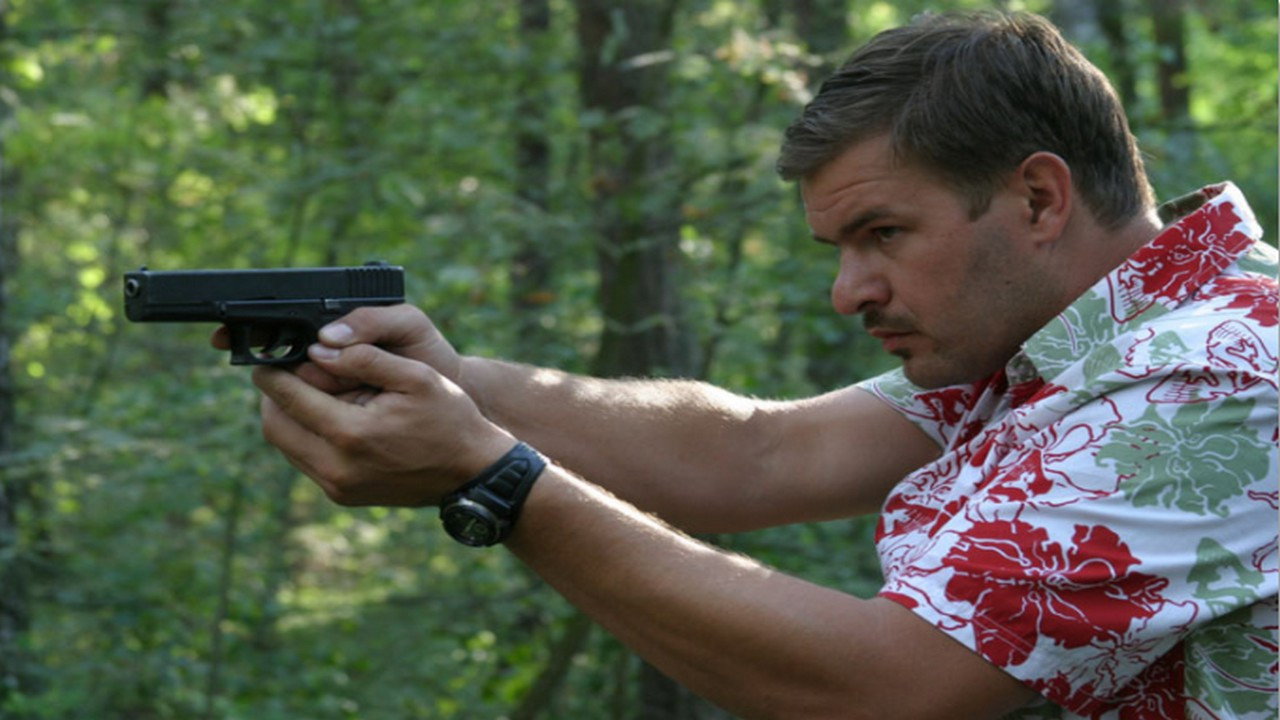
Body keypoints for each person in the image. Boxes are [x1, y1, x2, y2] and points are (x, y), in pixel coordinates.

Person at [224, 11, 1278, 719]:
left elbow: (881, 690)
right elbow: (757, 453)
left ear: (1038, 199)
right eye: (839, 249)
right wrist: (455, 382)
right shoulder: (1079, 338)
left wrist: (497, 482)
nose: (848, 291)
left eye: (882, 234)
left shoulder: (1207, 375)